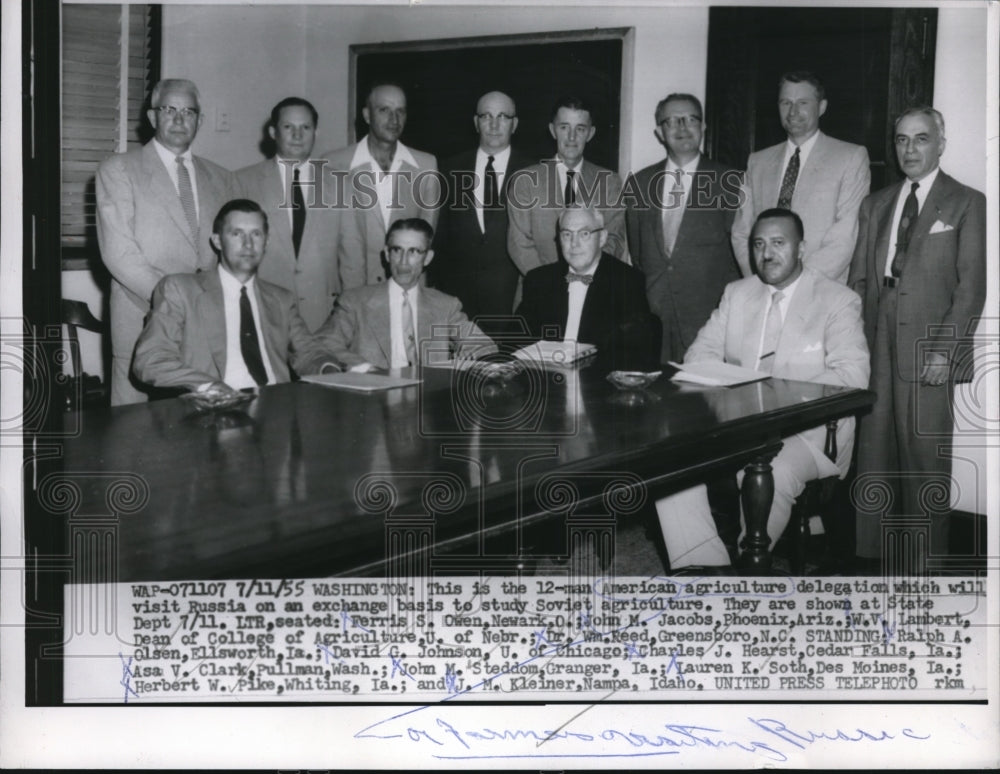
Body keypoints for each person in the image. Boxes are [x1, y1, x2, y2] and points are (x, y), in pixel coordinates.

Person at [656, 208, 869, 569]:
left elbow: (851, 376)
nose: (766, 254)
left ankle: (749, 563)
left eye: (778, 243)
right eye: (758, 244)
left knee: (771, 470)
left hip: (809, 435)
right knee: (670, 467)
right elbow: (699, 353)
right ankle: (704, 566)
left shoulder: (837, 299)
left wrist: (771, 394)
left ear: (801, 248)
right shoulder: (738, 293)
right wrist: (729, 387)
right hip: (738, 428)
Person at [849, 106, 986, 562]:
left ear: (940, 144)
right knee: (873, 449)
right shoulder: (876, 202)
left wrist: (945, 352)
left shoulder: (967, 201)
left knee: (924, 454)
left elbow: (970, 288)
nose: (909, 149)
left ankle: (925, 561)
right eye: (902, 140)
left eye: (921, 139)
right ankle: (873, 556)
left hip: (929, 342)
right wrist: (852, 347)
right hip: (876, 333)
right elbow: (859, 282)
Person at [96, 78, 237, 405]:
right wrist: (177, 303)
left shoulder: (223, 178)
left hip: (208, 320)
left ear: (200, 121)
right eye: (169, 109)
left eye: (188, 111)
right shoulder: (119, 170)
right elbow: (120, 255)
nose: (178, 119)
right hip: (143, 314)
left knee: (200, 423)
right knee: (134, 433)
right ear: (152, 117)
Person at [133, 199, 340, 394]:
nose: (248, 244)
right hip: (213, 412)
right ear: (217, 241)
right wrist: (207, 386)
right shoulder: (181, 290)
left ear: (266, 242)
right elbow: (151, 360)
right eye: (237, 234)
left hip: (277, 409)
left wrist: (331, 371)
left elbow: (308, 352)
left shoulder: (281, 299)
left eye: (256, 234)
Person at [625, 93, 742, 363]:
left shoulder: (731, 181)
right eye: (672, 121)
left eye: (691, 119)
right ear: (659, 132)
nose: (682, 127)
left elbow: (739, 255)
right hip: (655, 316)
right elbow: (639, 253)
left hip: (709, 319)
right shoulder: (640, 184)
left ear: (703, 128)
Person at [730, 71, 870, 284]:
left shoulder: (850, 157)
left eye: (803, 102)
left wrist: (796, 286)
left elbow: (845, 237)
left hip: (820, 290)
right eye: (785, 102)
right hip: (763, 291)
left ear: (821, 107)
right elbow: (742, 232)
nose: (793, 111)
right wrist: (759, 282)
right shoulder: (757, 161)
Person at [316, 218, 496, 370]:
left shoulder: (445, 305)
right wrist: (366, 369)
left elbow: (483, 345)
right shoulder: (355, 301)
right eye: (397, 250)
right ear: (387, 254)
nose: (403, 262)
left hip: (427, 401)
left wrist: (469, 356)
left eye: (414, 252)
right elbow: (323, 343)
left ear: (428, 258)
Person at [429, 91, 535, 333]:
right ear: (476, 122)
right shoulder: (449, 168)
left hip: (513, 305)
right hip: (459, 307)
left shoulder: (533, 170)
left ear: (514, 124)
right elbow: (441, 237)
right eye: (486, 116)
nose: (494, 124)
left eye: (503, 117)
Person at [236, 97, 341, 332]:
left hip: (324, 316)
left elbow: (351, 258)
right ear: (273, 132)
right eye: (288, 127)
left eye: (305, 127)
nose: (297, 135)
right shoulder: (243, 181)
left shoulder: (339, 184)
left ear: (316, 132)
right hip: (263, 313)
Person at [324, 83, 439, 290]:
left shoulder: (426, 165)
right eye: (384, 110)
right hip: (352, 291)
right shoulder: (333, 165)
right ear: (367, 115)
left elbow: (426, 236)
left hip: (408, 288)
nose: (394, 120)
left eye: (400, 111)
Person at [516, 205, 654, 373]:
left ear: (602, 238)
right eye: (567, 234)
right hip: (546, 384)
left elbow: (633, 355)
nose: (574, 243)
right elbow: (515, 342)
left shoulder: (627, 281)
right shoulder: (539, 280)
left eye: (584, 234)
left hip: (598, 387)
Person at [507, 96, 625, 278]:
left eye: (580, 129)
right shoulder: (525, 180)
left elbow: (614, 239)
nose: (571, 137)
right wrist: (552, 285)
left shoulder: (609, 182)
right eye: (564, 127)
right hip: (538, 291)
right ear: (553, 131)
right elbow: (519, 244)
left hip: (592, 290)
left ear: (590, 133)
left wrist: (586, 278)